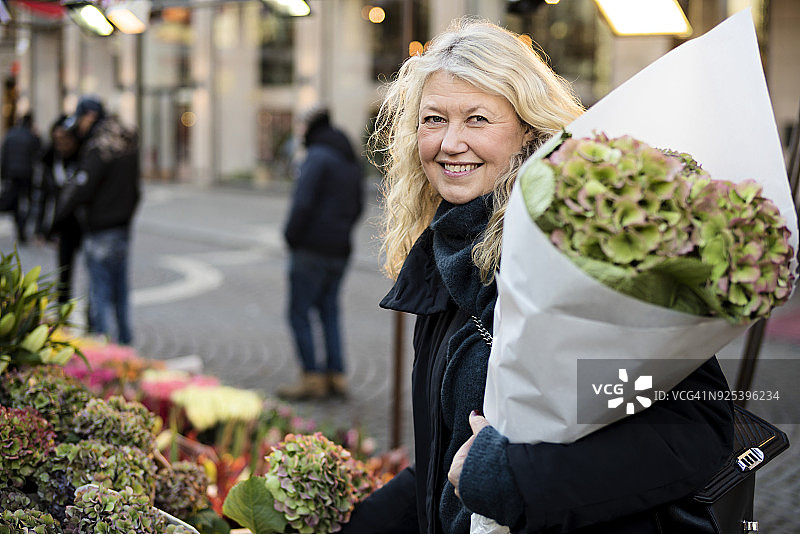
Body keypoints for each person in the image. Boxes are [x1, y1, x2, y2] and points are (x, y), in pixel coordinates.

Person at [341, 18, 734, 534]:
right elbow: (451, 460)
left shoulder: (581, 247)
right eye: (433, 119)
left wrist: (513, 479)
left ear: (529, 129)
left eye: (477, 119)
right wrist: (353, 521)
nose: (450, 142)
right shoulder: (448, 257)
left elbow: (693, 429)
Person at [278, 107, 364, 400]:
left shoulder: (317, 156)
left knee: (299, 312)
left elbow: (302, 203)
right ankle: (336, 375)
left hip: (311, 248)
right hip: (340, 250)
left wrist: (290, 236)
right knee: (329, 310)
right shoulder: (348, 157)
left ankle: (311, 377)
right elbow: (358, 206)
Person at [53, 95, 141, 345]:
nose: (79, 128)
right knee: (120, 293)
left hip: (101, 228)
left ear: (89, 116)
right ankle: (125, 346)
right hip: (122, 228)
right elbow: (136, 190)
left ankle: (104, 349)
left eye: (80, 120)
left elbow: (83, 188)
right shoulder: (126, 141)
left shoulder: (99, 146)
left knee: (99, 293)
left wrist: (56, 220)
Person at [34, 115, 83, 305]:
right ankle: (63, 311)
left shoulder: (84, 158)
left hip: (84, 223)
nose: (61, 145)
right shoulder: (50, 161)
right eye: (57, 141)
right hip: (63, 224)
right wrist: (41, 228)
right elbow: (42, 196)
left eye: (65, 140)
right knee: (64, 272)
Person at [0, 112, 42, 244]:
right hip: (26, 174)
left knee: (16, 201)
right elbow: (39, 151)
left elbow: (4, 156)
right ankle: (22, 229)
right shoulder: (30, 136)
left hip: (12, 174)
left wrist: (3, 175)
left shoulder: (10, 134)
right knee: (26, 202)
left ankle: (20, 227)